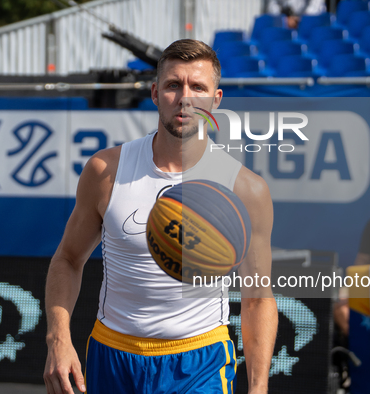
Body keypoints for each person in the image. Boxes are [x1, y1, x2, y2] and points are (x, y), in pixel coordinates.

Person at [43, 39, 278, 394]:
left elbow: (258, 297)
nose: (185, 97)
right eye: (173, 85)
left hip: (199, 360)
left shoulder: (245, 189)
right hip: (113, 354)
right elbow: (68, 259)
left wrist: (258, 389)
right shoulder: (106, 170)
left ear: (215, 100)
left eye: (198, 87)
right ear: (155, 93)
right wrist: (58, 341)